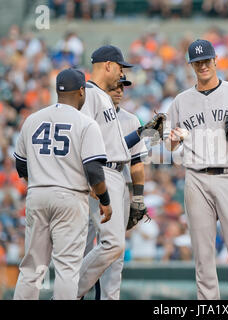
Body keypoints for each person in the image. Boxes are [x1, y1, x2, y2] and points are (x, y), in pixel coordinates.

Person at [165, 39, 228, 300]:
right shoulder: (181, 100)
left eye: (206, 61)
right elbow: (168, 143)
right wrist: (173, 138)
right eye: (197, 62)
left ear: (215, 60)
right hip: (196, 177)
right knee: (203, 257)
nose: (202, 66)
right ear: (191, 65)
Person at [12, 68, 112, 300]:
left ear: (58, 91)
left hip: (37, 195)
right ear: (81, 91)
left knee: (33, 269)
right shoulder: (86, 123)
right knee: (67, 268)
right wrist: (105, 200)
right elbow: (94, 171)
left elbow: (21, 166)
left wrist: (41, 180)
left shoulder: (32, 120)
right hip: (70, 198)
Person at [76, 45, 156, 300]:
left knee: (114, 251)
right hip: (99, 174)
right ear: (108, 66)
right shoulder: (91, 94)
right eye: (120, 71)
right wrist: (91, 177)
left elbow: (120, 148)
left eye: (124, 83)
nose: (121, 82)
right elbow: (84, 138)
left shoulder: (113, 107)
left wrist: (138, 196)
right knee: (105, 245)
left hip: (114, 175)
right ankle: (68, 293)